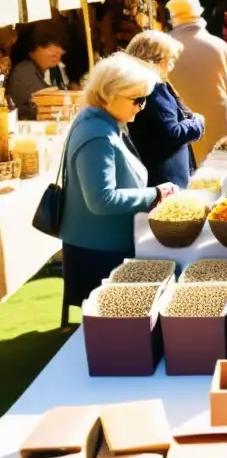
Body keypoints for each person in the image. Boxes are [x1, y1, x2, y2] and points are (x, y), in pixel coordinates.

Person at [59, 53, 177, 325]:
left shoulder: (100, 121)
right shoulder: (96, 134)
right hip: (98, 250)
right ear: (108, 94)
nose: (142, 107)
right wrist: (155, 194)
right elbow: (101, 200)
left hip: (103, 242)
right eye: (137, 100)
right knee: (112, 327)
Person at [165, 0, 227, 165]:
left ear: (173, 20)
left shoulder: (163, 50)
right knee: (220, 172)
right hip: (218, 122)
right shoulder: (220, 46)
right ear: (199, 16)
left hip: (182, 125)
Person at [124, 31, 205, 188]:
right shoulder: (153, 90)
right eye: (170, 60)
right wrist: (198, 124)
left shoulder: (142, 86)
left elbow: (182, 112)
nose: (172, 66)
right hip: (165, 178)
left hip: (156, 174)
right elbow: (172, 133)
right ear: (154, 61)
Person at [6, 21, 70, 120]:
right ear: (35, 47)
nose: (57, 58)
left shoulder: (52, 70)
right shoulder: (24, 72)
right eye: (51, 51)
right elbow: (41, 106)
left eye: (60, 55)